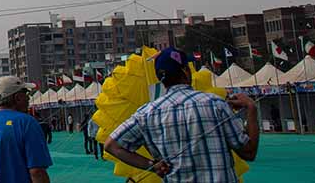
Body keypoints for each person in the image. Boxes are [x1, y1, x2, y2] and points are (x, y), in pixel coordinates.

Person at [104, 47, 259, 183]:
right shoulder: (215, 104)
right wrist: (251, 108)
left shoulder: (146, 113)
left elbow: (112, 145)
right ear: (185, 71)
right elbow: (249, 152)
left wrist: (152, 165)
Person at [0, 76, 52, 183]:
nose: (28, 98)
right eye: (26, 94)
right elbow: (37, 172)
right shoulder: (27, 123)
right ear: (18, 98)